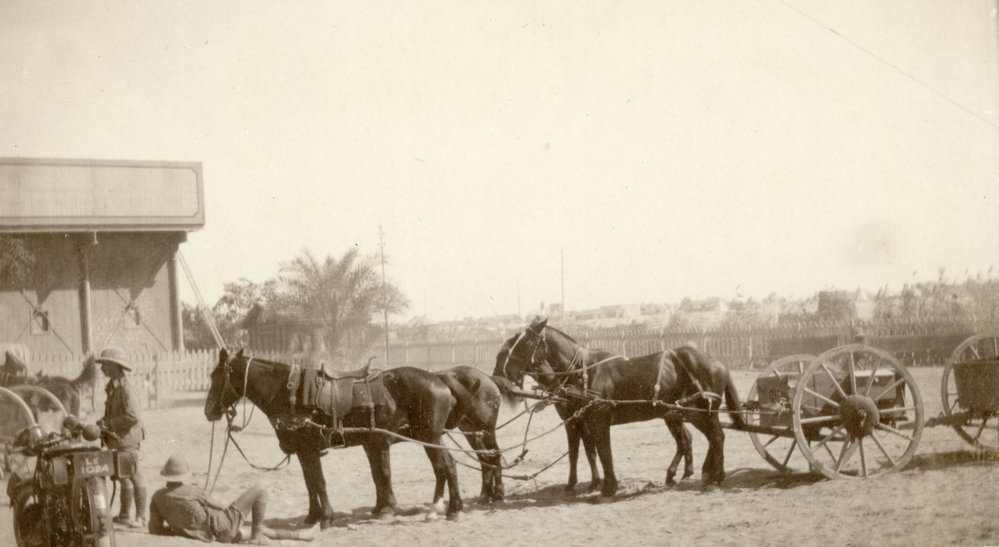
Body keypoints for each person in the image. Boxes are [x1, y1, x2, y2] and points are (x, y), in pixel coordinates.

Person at [149, 453, 316, 543]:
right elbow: (220, 506)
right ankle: (258, 536)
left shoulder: (157, 497)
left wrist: (180, 529)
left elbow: (155, 529)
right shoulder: (193, 490)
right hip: (222, 528)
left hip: (213, 536)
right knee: (260, 489)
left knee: (258, 530)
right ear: (184, 475)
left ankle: (301, 536)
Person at [95, 346, 147, 528]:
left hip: (128, 439)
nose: (102, 368)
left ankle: (141, 517)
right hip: (118, 438)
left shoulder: (125, 388)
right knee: (123, 477)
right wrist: (103, 422)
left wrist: (109, 424)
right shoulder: (113, 386)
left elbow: (133, 416)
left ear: (116, 366)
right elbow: (113, 413)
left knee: (134, 476)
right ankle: (125, 515)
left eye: (106, 364)